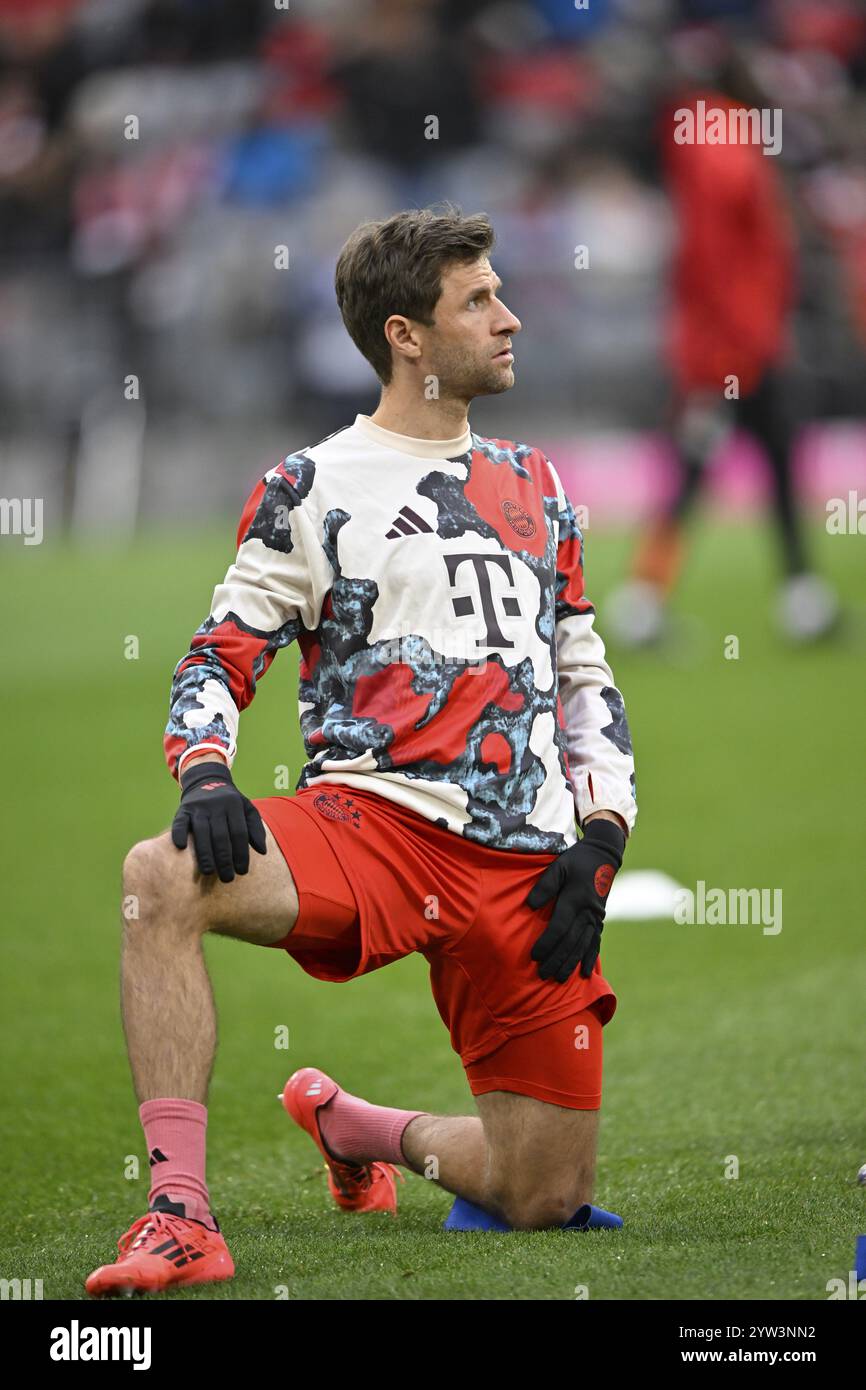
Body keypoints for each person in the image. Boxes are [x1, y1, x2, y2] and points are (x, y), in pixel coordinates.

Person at [85, 207, 637, 1296]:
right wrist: (203, 767)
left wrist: (604, 829)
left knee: (542, 1197)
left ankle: (354, 1128)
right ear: (407, 336)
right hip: (369, 827)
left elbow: (582, 672)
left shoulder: (540, 483)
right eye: (477, 300)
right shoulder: (312, 484)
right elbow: (218, 652)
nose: (508, 316)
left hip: (527, 864)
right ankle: (178, 1215)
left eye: (499, 292)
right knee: (159, 879)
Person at [606, 82, 838, 646]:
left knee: (750, 462)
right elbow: (722, 264)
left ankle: (798, 596)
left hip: (733, 349)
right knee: (714, 469)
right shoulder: (726, 145)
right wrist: (743, 343)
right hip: (735, 353)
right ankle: (647, 601)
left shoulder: (703, 145)